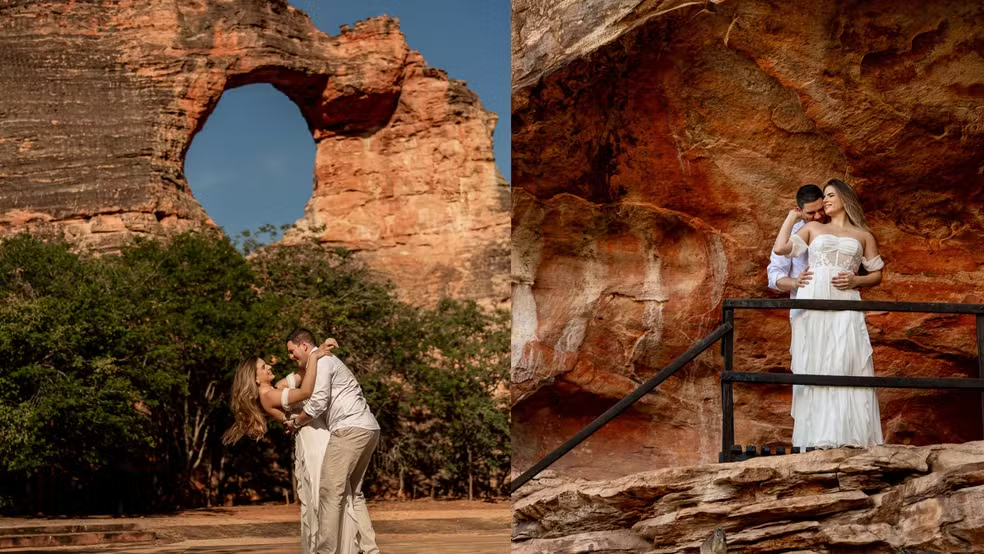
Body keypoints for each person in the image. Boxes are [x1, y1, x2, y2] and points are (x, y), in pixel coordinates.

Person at [772, 178, 885, 449]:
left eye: (831, 195)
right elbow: (780, 249)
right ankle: (815, 440)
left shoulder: (864, 235)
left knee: (847, 359)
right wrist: (791, 217)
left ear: (844, 198)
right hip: (814, 297)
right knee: (816, 361)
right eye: (825, 196)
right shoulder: (812, 228)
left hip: (846, 298)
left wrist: (857, 281)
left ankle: (851, 437)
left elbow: (877, 274)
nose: (826, 200)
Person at [221, 338, 338, 554]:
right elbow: (305, 392)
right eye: (263, 367)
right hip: (313, 441)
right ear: (256, 378)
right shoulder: (269, 396)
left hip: (316, 435)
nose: (269, 366)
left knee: (326, 496)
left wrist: (313, 352)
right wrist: (314, 356)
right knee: (320, 497)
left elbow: (302, 374)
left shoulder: (276, 388)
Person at [284, 328, 380, 554]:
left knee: (329, 493)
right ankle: (370, 550)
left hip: (348, 429)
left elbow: (318, 403)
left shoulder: (323, 362)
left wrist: (296, 422)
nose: (290, 356)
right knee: (353, 494)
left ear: (304, 345)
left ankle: (325, 551)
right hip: (368, 427)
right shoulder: (320, 361)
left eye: (291, 351)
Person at [767, 184, 827, 321]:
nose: (818, 216)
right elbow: (774, 273)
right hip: (804, 305)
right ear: (800, 210)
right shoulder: (791, 234)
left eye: (821, 209)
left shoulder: (837, 226)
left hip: (837, 301)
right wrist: (795, 282)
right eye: (811, 213)